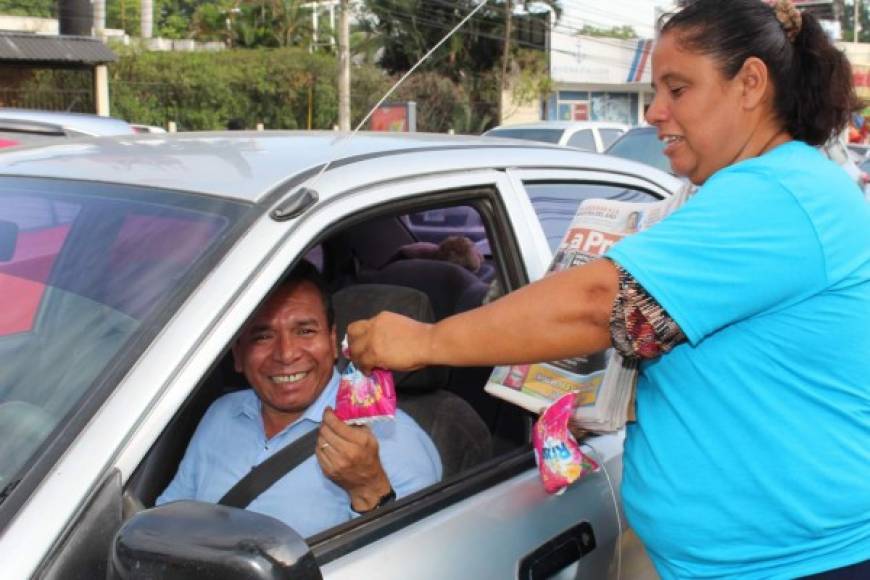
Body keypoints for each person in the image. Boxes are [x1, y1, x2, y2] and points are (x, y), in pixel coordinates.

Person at [347, 1, 870, 578]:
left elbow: (602, 305)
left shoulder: (779, 195)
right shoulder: (741, 192)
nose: (654, 112)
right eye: (655, 90)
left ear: (749, 83)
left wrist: (424, 341)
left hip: (803, 566)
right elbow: (740, 370)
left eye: (677, 89)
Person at [157, 261, 441, 537]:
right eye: (262, 336)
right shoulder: (220, 415)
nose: (286, 353)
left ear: (333, 342)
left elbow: (408, 561)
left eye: (305, 331)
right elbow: (166, 524)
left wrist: (368, 489)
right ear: (238, 355)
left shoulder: (394, 442)